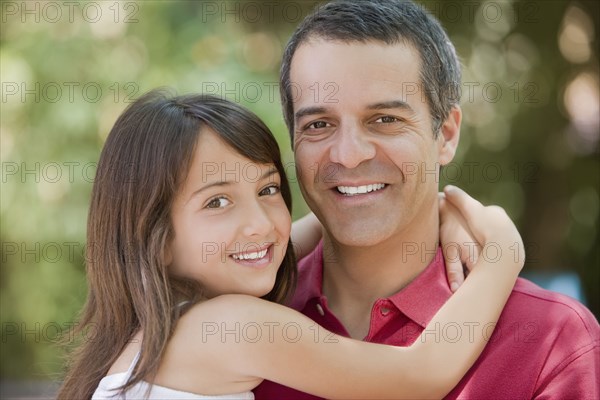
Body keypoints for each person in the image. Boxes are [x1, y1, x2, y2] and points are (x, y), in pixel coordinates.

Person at [57, 90, 525, 400]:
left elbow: (308, 229)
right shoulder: (231, 327)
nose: (259, 223)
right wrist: (502, 253)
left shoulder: (150, 335)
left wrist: (438, 209)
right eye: (217, 201)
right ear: (153, 240)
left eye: (267, 190)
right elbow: (421, 373)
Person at [254, 1, 600, 399]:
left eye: (385, 119)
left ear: (447, 135)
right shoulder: (234, 319)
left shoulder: (551, 341)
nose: (348, 155)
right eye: (318, 125)